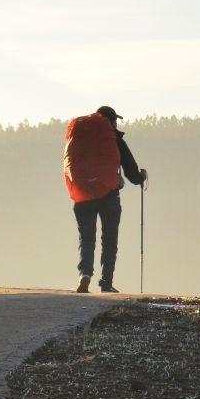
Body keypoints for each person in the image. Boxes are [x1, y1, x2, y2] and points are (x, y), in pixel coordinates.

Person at [63, 105, 147, 293]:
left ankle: (84, 274)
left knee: (86, 238)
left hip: (82, 195)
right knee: (109, 239)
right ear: (111, 121)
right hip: (108, 195)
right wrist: (141, 178)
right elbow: (130, 170)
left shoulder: (80, 135)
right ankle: (106, 282)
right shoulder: (113, 137)